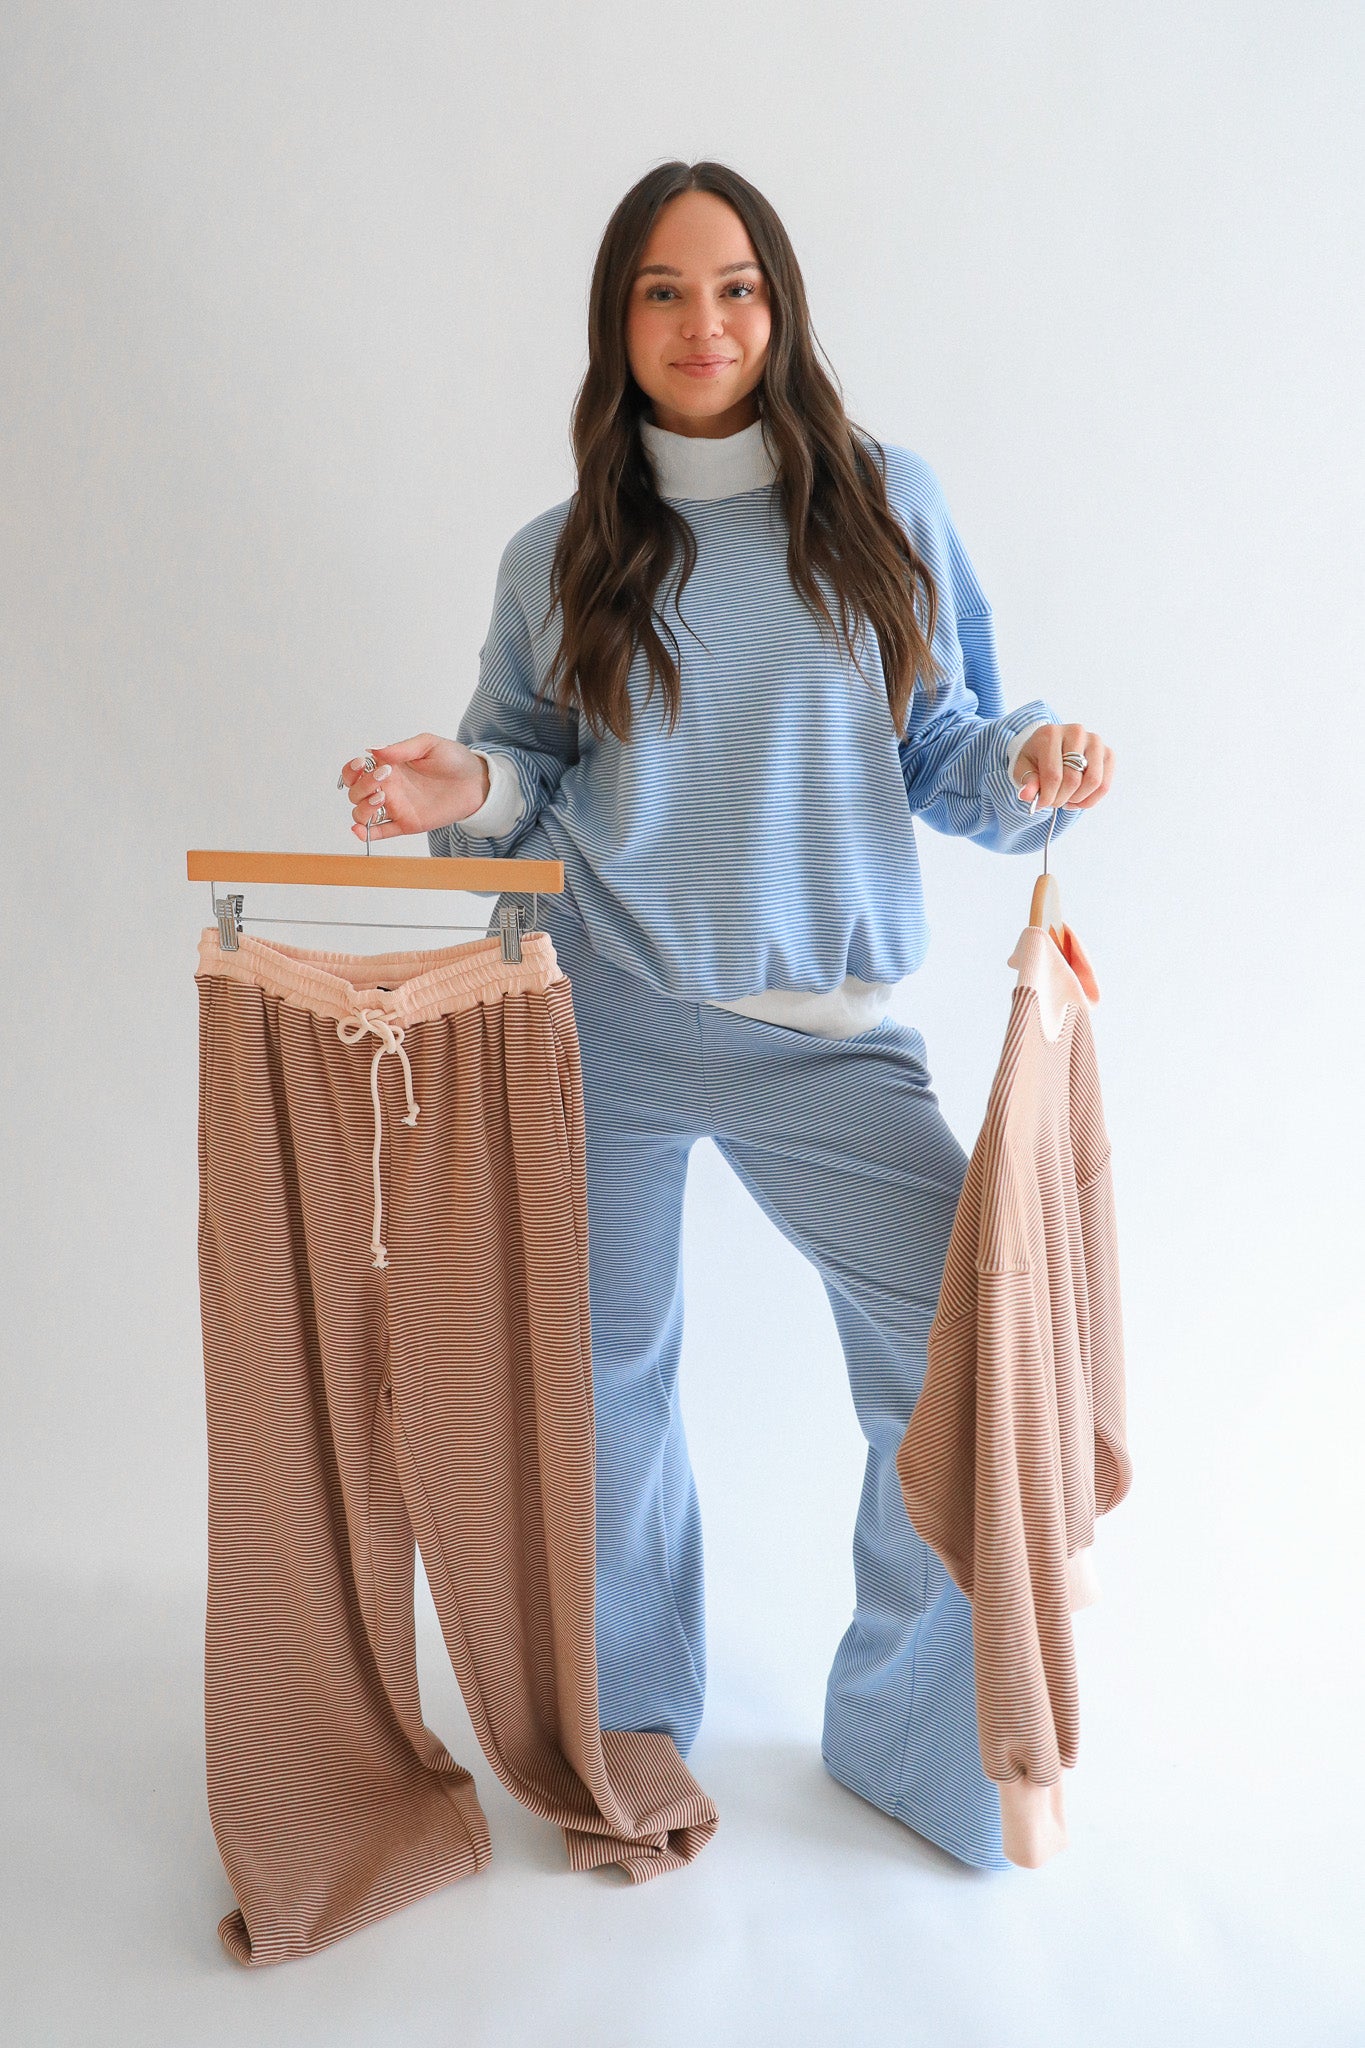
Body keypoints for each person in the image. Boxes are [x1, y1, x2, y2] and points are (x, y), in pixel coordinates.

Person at [337, 159, 1113, 1873]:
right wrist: (455, 784)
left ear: (781, 306)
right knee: (602, 1392)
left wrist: (1034, 762)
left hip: (821, 1042)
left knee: (960, 1365)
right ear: (616, 323)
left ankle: (917, 1745)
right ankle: (622, 1740)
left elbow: (948, 751)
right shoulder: (561, 554)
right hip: (600, 1011)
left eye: (737, 286)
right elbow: (525, 774)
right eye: (665, 292)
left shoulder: (884, 505)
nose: (705, 324)